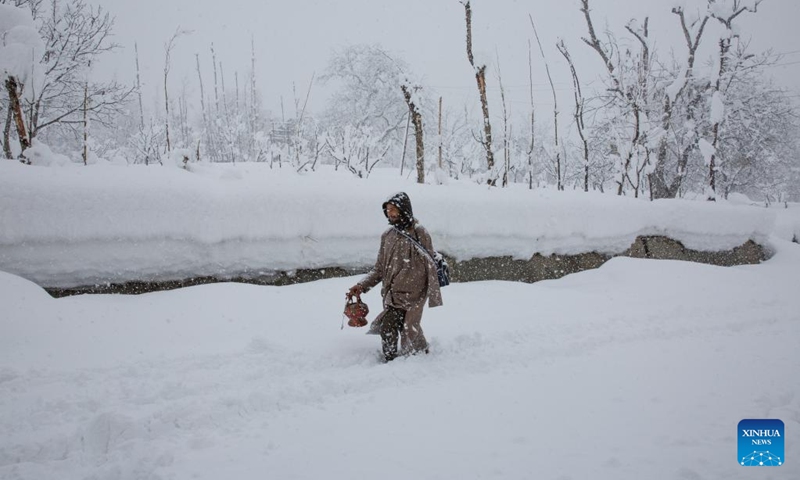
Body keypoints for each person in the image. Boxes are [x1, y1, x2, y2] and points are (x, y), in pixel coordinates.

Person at [347, 192, 443, 362]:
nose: (390, 213)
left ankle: (417, 359)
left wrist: (431, 293)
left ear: (404, 210)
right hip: (393, 294)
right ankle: (392, 360)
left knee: (409, 328)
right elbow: (379, 269)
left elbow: (430, 264)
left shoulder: (420, 232)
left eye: (394, 209)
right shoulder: (387, 236)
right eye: (388, 210)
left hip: (415, 294)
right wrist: (361, 286)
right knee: (389, 328)